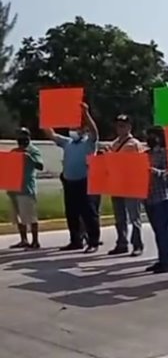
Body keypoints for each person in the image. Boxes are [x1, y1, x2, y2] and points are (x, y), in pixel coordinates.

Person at [45, 102, 101, 253]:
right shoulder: (67, 142)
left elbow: (95, 132)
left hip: (85, 182)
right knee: (72, 213)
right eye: (72, 128)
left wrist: (86, 113)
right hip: (70, 182)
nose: (73, 131)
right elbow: (51, 135)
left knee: (89, 213)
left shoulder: (89, 143)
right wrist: (45, 118)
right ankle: (75, 240)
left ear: (84, 130)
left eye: (76, 128)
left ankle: (93, 242)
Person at [107, 114, 145, 257]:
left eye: (123, 125)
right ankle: (121, 243)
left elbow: (141, 164)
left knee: (134, 216)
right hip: (117, 183)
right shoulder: (114, 144)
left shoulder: (134, 144)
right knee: (119, 216)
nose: (120, 128)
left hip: (131, 184)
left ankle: (137, 244)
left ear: (129, 127)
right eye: (118, 125)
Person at [144, 126, 168, 274]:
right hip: (149, 196)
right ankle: (161, 258)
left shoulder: (166, 154)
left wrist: (154, 171)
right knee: (157, 230)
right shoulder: (145, 154)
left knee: (162, 230)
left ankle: (167, 262)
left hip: (163, 197)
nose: (150, 138)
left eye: (153, 136)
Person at [8, 127, 44, 249]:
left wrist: (29, 157)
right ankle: (23, 240)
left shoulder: (33, 151)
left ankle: (35, 241)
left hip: (26, 188)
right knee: (18, 217)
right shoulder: (14, 151)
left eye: (23, 137)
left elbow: (40, 166)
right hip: (14, 188)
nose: (20, 140)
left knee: (31, 216)